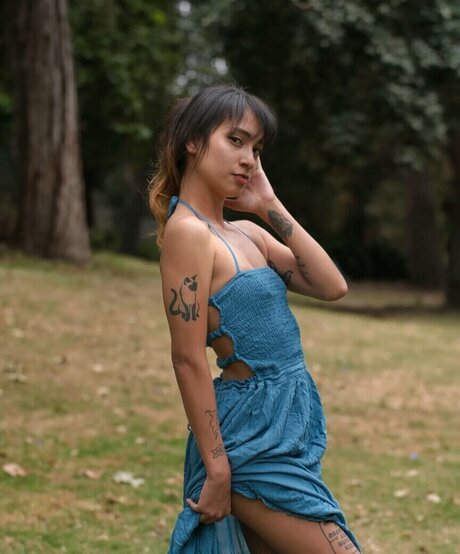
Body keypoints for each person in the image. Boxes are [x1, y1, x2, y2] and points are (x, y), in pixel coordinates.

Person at [149, 84, 362, 554]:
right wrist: (217, 468)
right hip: (247, 438)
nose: (248, 159)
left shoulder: (248, 234)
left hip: (289, 424)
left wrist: (269, 205)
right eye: (236, 140)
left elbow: (331, 285)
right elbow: (187, 359)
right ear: (193, 141)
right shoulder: (189, 234)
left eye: (257, 149)